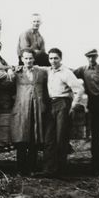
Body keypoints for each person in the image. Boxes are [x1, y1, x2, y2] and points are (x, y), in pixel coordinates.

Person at [37, 48, 84, 178]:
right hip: (51, 104)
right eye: (51, 58)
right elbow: (36, 67)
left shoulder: (66, 72)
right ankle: (48, 170)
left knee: (60, 137)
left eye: (55, 58)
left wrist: (73, 106)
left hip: (63, 104)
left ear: (61, 59)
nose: (53, 61)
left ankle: (61, 170)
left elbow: (79, 89)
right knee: (49, 139)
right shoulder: (49, 70)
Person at [10, 49, 50, 176]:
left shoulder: (41, 72)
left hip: (36, 107)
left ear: (34, 59)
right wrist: (10, 70)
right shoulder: (17, 72)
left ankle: (32, 167)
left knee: (34, 137)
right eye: (26, 58)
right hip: (22, 108)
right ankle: (21, 169)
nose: (28, 61)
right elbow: (7, 78)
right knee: (21, 138)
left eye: (30, 58)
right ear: (22, 59)